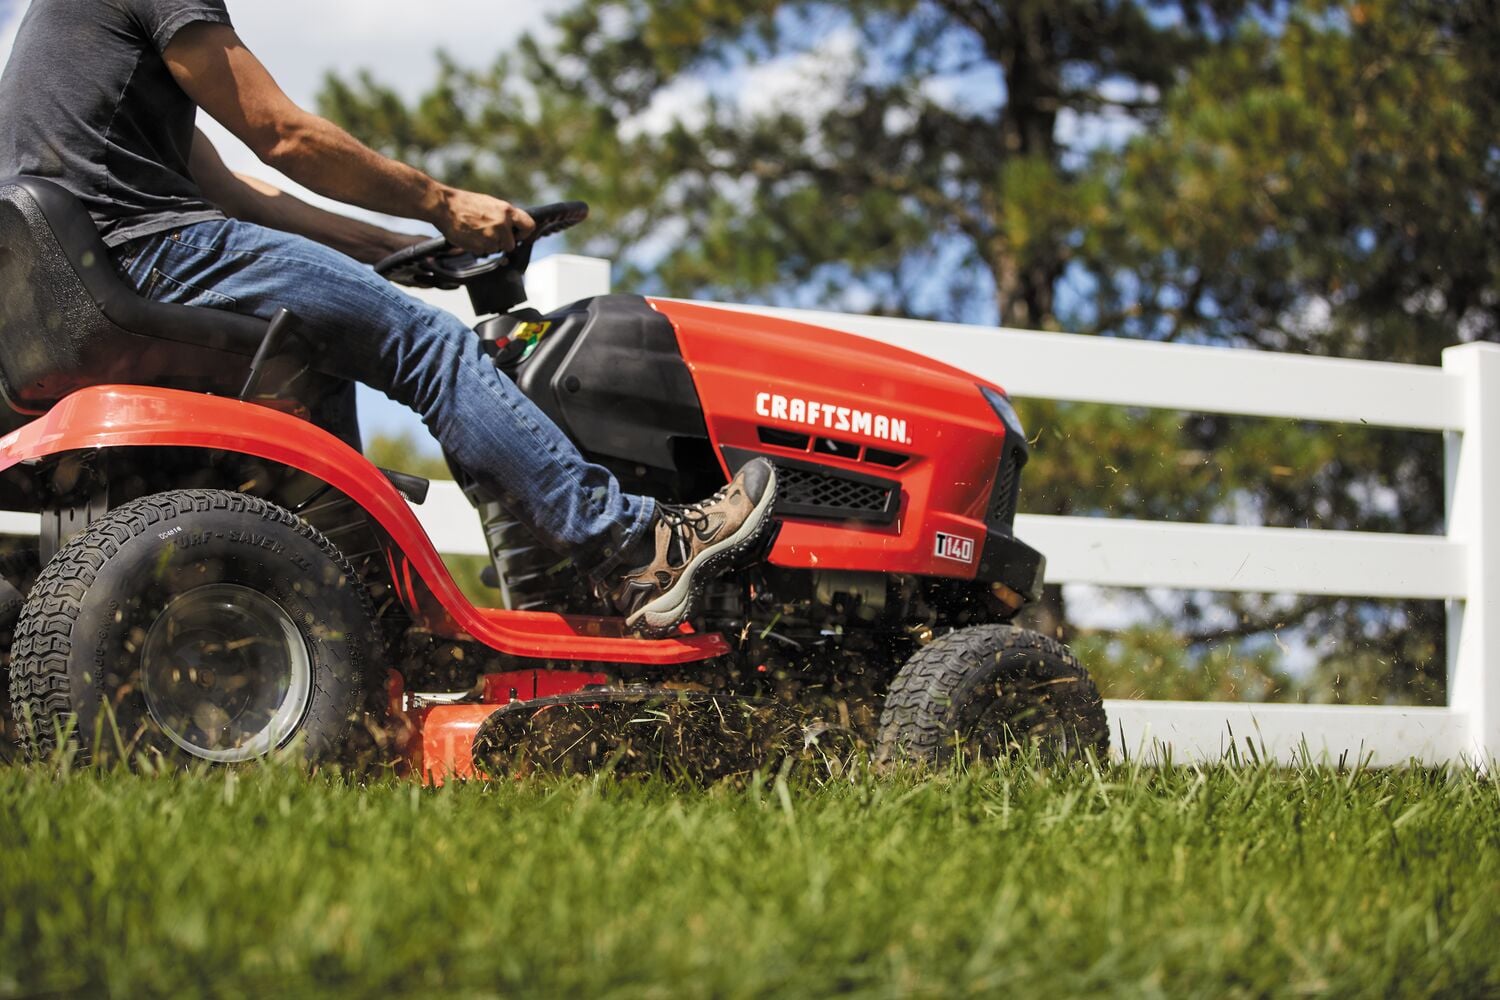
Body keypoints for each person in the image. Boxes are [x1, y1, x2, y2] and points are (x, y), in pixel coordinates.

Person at [0, 0, 775, 637]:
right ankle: (637, 546)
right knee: (434, 351)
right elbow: (283, 135)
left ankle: (359, 617)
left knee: (318, 368)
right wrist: (445, 205)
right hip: (154, 251)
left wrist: (392, 246)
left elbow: (233, 189)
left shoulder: (70, 29)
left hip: (80, 283)